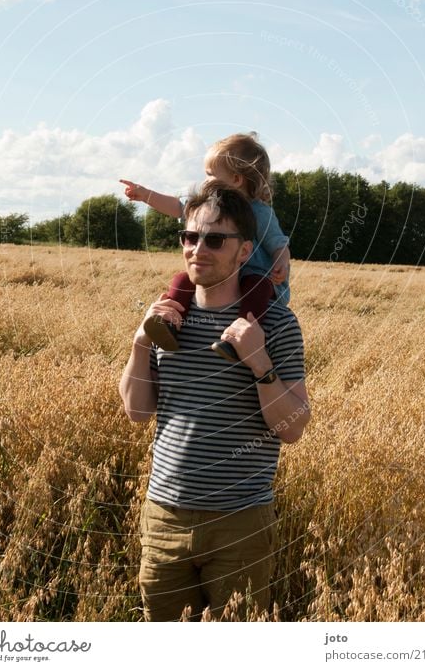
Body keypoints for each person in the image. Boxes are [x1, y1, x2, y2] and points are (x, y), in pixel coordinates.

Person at [119, 182, 310, 621]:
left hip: (239, 523)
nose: (198, 248)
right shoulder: (168, 318)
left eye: (214, 239)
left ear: (244, 251)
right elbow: (137, 411)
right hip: (163, 517)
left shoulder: (276, 324)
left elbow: (294, 427)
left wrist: (258, 360)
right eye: (190, 236)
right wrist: (140, 344)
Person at [120, 132, 291, 362]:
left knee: (256, 285)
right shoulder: (209, 207)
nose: (205, 181)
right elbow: (178, 207)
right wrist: (145, 194)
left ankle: (236, 338)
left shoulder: (260, 212)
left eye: (210, 174)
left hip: (258, 279)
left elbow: (279, 243)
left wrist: (281, 262)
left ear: (236, 180)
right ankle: (169, 326)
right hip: (220, 276)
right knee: (182, 279)